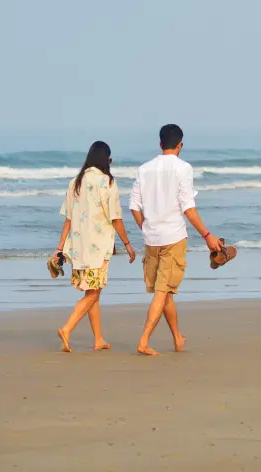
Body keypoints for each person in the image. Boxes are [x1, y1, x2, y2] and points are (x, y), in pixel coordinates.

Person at [129, 124, 222, 356]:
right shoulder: (184, 168)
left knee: (166, 291)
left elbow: (133, 207)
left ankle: (178, 338)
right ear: (180, 145)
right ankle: (143, 341)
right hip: (173, 237)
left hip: (151, 240)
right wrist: (207, 236)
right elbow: (188, 208)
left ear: (160, 144)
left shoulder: (144, 169)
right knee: (163, 292)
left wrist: (147, 227)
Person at [53, 141, 136, 353]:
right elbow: (116, 218)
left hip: (79, 248)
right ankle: (67, 328)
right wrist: (128, 244)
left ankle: (98, 339)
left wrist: (60, 248)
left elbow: (68, 219)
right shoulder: (107, 182)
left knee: (93, 292)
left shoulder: (75, 182)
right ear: (106, 159)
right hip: (98, 248)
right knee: (93, 294)